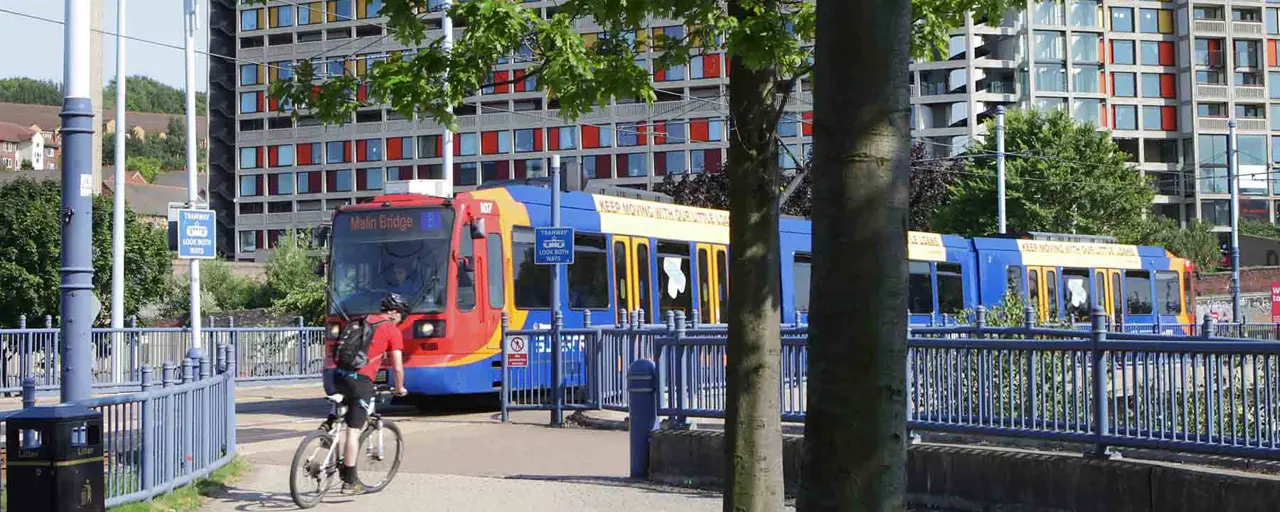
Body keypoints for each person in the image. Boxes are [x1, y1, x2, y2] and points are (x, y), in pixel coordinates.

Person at [331, 293, 409, 492]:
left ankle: (326, 431)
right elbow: (398, 367)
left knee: (341, 414)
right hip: (360, 381)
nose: (400, 321)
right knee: (353, 431)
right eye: (401, 316)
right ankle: (350, 481)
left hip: (337, 375)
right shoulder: (391, 329)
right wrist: (399, 388)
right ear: (394, 313)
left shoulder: (361, 320)